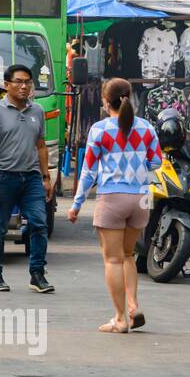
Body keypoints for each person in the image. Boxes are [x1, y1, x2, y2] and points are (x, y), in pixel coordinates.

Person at [68, 78, 161, 333]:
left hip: (112, 198)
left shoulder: (100, 130)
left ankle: (120, 319)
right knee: (129, 255)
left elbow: (88, 171)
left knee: (113, 260)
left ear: (105, 101)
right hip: (141, 199)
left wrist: (76, 204)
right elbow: (156, 164)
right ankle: (133, 305)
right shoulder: (146, 128)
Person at [0, 64, 54, 294]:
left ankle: (37, 274)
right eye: (19, 82)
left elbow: (41, 146)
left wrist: (45, 177)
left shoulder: (37, 111)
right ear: (6, 85)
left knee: (39, 223)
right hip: (3, 176)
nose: (24, 87)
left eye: (28, 82)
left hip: (31, 176)